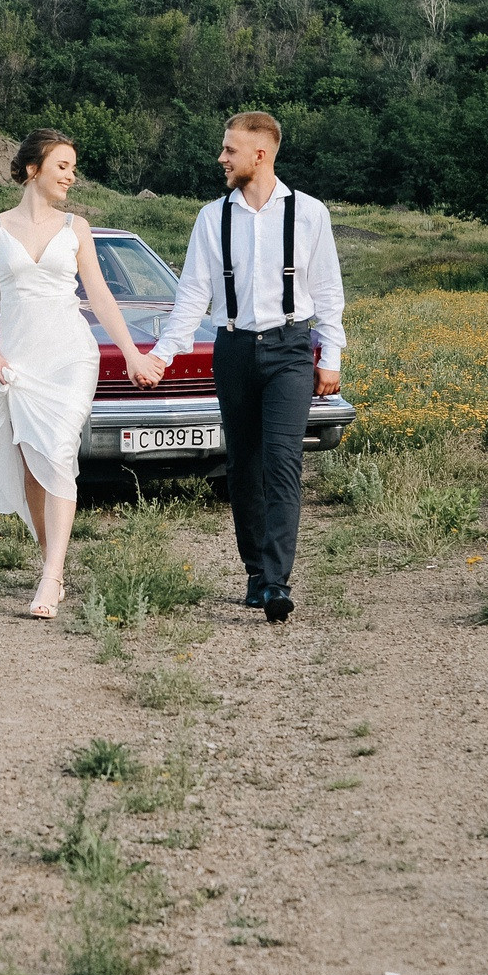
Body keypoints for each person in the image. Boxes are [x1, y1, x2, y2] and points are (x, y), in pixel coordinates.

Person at [152, 112, 345, 623]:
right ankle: (256, 573)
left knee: (282, 460)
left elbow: (327, 291)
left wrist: (332, 355)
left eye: (230, 150)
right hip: (233, 349)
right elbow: (192, 295)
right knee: (242, 465)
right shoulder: (211, 217)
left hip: (289, 349)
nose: (222, 158)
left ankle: (279, 582)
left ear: (260, 155)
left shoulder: (308, 213)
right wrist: (161, 355)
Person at [0, 129, 165, 619]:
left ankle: (51, 576)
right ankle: (50, 563)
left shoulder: (76, 227)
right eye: (62, 166)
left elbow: (99, 295)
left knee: (56, 454)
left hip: (70, 356)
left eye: (73, 167)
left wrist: (132, 354)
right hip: (20, 358)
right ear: (33, 169)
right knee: (33, 465)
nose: (70, 176)